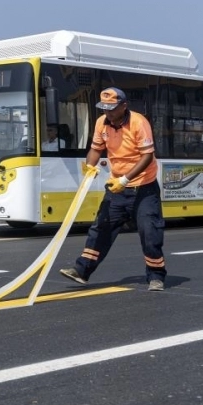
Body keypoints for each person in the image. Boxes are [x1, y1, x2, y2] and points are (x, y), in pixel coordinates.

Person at [59, 87, 166, 291]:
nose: (107, 112)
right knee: (101, 228)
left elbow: (147, 157)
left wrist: (125, 180)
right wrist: (89, 165)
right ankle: (82, 270)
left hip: (143, 187)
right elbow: (96, 148)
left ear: (124, 106)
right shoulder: (102, 123)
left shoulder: (138, 122)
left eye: (112, 108)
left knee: (149, 232)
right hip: (116, 188)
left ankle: (156, 276)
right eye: (104, 108)